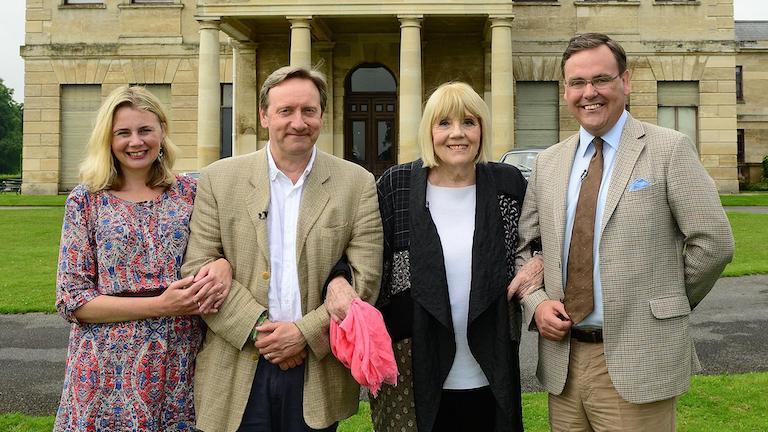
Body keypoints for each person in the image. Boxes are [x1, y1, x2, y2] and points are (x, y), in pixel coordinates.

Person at [513, 33, 734, 431]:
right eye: (577, 83)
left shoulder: (669, 149)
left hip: (639, 357)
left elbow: (713, 242)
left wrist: (663, 304)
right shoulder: (549, 163)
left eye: (601, 79)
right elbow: (525, 247)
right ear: (565, 90)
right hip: (564, 362)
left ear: (625, 81)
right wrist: (537, 302)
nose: (589, 93)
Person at [181, 66, 383, 432]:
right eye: (285, 111)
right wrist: (264, 333)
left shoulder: (357, 183)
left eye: (309, 111)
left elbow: (365, 281)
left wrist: (302, 334)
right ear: (264, 116)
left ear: (322, 115)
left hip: (317, 369)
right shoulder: (218, 179)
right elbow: (198, 269)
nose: (298, 122)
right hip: (237, 363)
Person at [55, 86, 231, 431]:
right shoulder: (86, 200)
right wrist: (162, 305)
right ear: (108, 138)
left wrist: (222, 263)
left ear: (162, 131)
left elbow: (224, 248)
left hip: (180, 360)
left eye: (145, 130)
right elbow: (71, 300)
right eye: (123, 132)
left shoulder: (191, 193)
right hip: (105, 366)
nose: (136, 141)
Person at [370, 81, 532, 432]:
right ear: (429, 130)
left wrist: (542, 261)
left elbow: (537, 240)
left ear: (482, 129)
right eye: (444, 123)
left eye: (468, 122)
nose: (457, 134)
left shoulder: (507, 183)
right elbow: (365, 254)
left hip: (490, 360)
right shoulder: (397, 185)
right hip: (413, 361)